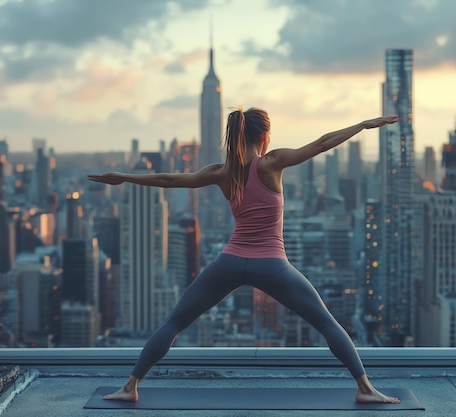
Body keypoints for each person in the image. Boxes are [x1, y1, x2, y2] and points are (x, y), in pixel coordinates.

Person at [87, 108, 400, 404]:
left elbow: (169, 181)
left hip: (230, 262)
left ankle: (130, 387)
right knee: (327, 324)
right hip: (273, 266)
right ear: (264, 137)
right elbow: (320, 144)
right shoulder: (270, 163)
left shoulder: (223, 172)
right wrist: (361, 125)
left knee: (174, 322)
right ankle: (365, 388)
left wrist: (125, 177)